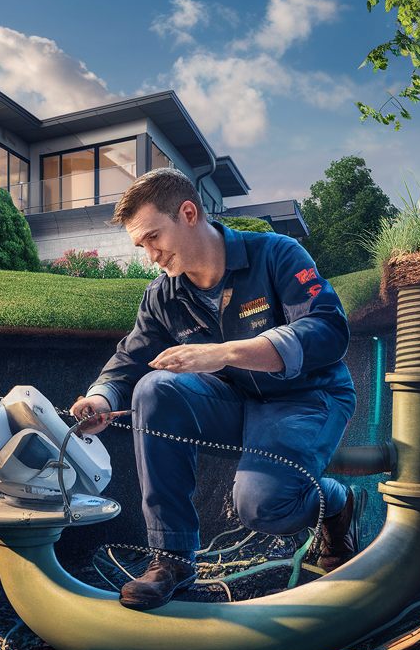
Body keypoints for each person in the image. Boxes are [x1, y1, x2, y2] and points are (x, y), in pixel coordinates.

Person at [68, 168, 357, 611]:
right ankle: (172, 559)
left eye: (153, 238)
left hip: (307, 397)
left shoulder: (278, 254)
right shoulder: (162, 295)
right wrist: (101, 399)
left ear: (188, 213)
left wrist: (225, 353)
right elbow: (131, 358)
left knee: (262, 508)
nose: (150, 256)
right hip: (237, 403)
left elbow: (328, 329)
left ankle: (336, 502)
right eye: (141, 246)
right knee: (153, 389)